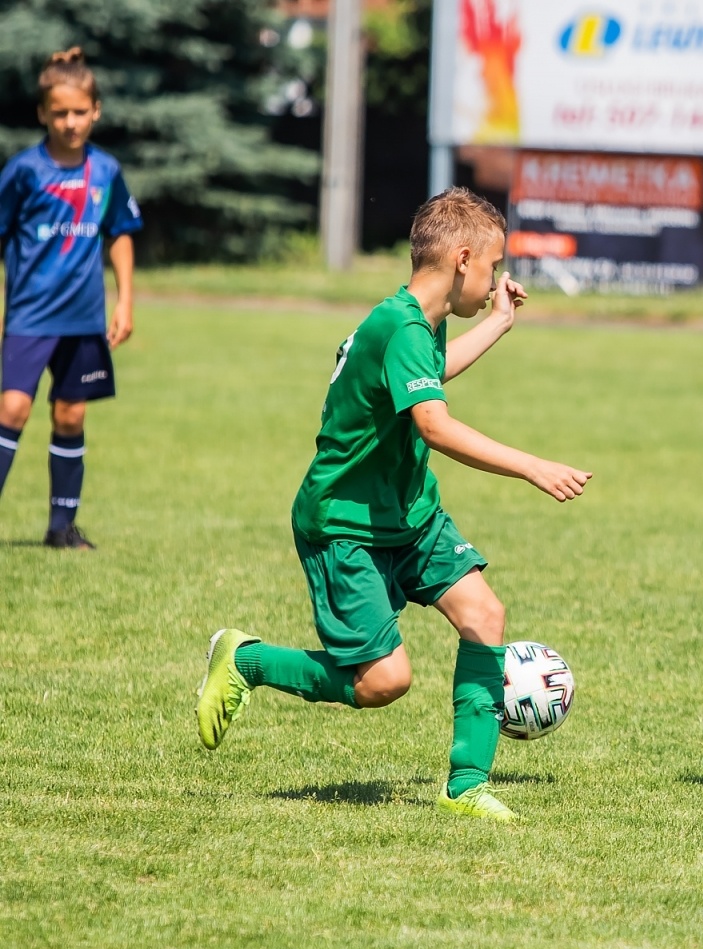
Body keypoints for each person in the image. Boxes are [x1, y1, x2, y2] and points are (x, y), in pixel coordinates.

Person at [193, 188, 594, 823]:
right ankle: (247, 659)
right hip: (345, 522)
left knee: (484, 613)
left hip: (407, 512)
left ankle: (465, 787)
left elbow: (430, 376)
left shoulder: (415, 322)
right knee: (383, 682)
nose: (495, 280)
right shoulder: (399, 325)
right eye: (492, 267)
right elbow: (433, 425)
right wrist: (531, 466)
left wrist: (497, 322)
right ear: (463, 259)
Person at [0, 48, 141, 549]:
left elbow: (120, 232)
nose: (70, 121)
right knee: (12, 409)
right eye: (59, 112)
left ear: (96, 111)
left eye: (80, 111)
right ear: (42, 113)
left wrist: (124, 300)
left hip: (83, 318)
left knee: (71, 415)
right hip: (29, 315)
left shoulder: (105, 170)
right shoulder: (23, 172)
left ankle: (61, 529)